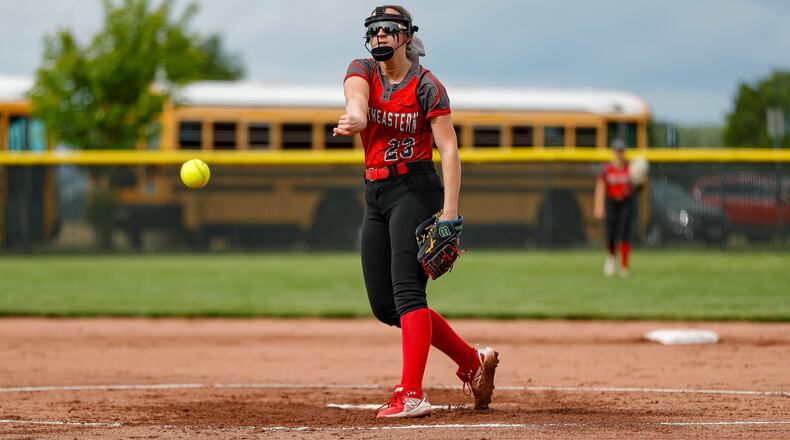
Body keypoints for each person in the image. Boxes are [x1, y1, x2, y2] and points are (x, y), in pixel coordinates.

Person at [333, 5, 499, 419]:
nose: (379, 38)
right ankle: (471, 362)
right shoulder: (364, 69)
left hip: (416, 188)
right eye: (373, 32)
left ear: (407, 36)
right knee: (385, 306)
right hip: (376, 192)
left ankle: (410, 393)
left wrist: (449, 213)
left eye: (388, 31)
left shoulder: (427, 85)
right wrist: (354, 117)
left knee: (408, 291)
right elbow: (356, 99)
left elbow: (449, 149)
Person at [594, 138, 636, 277]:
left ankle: (624, 266)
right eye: (617, 150)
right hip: (611, 202)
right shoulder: (607, 169)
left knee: (624, 233)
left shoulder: (630, 168)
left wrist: (639, 179)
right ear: (613, 151)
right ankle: (611, 259)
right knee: (611, 234)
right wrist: (599, 206)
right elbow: (600, 186)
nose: (619, 153)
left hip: (625, 202)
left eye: (621, 150)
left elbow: (638, 187)